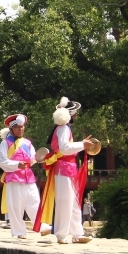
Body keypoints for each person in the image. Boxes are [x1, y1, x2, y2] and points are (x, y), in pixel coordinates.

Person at [37, 97, 93, 244]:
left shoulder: (64, 128)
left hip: (69, 167)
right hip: (63, 167)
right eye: (75, 113)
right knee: (64, 201)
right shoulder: (63, 128)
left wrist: (81, 144)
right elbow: (64, 148)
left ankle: (77, 232)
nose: (76, 116)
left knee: (73, 201)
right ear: (70, 114)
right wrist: (82, 144)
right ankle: (61, 234)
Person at [0, 114, 41, 239]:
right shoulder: (5, 143)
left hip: (28, 176)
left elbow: (33, 157)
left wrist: (38, 159)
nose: (20, 129)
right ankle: (19, 231)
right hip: (14, 178)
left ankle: (41, 226)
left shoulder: (27, 143)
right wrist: (17, 165)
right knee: (16, 205)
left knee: (34, 201)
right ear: (11, 129)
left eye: (22, 127)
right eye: (17, 127)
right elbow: (2, 161)